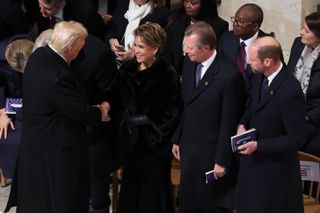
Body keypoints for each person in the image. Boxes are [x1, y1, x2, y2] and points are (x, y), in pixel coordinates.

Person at [5, 21, 110, 213]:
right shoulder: (57, 76)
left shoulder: (38, 57)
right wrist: (99, 111)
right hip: (56, 154)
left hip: (38, 147)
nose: (83, 47)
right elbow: (78, 111)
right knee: (60, 202)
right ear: (70, 48)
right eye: (81, 44)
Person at [171, 22, 246, 213]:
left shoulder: (229, 75)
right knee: (188, 201)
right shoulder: (189, 63)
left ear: (206, 48)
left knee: (209, 203)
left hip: (211, 153)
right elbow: (185, 105)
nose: (186, 52)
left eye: (189, 48)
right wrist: (177, 138)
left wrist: (222, 159)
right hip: (189, 147)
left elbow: (228, 122)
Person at [109, 22, 180, 213]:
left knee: (151, 199)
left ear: (155, 48)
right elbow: (115, 99)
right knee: (130, 195)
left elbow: (170, 114)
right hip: (129, 146)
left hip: (153, 149)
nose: (136, 50)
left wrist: (150, 136)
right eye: (135, 45)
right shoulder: (128, 69)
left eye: (141, 46)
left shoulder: (167, 74)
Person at [235, 36, 305, 213]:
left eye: (252, 60)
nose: (248, 63)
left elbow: (296, 138)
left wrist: (259, 145)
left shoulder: (290, 90)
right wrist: (242, 124)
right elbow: (252, 106)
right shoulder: (258, 76)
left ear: (267, 61)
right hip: (252, 165)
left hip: (275, 172)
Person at [0, 38, 33, 187]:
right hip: (11, 101)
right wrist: (3, 111)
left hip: (33, 102)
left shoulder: (39, 53)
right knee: (8, 135)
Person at [287, 12, 320, 157]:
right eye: (302, 28)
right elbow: (288, 76)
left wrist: (307, 117)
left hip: (314, 117)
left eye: (306, 31)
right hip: (293, 107)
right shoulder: (298, 44)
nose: (301, 33)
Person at [218, 3, 270, 94]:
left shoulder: (268, 45)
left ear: (255, 27)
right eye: (235, 20)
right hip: (229, 94)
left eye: (240, 22)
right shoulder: (226, 38)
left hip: (255, 97)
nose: (235, 24)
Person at [166, 0, 228, 74]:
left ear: (204, 5)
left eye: (193, 3)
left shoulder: (219, 26)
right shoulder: (176, 19)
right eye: (186, 1)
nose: (188, 6)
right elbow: (168, 48)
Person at [106, 0, 172, 63]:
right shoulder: (124, 3)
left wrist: (134, 56)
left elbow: (161, 51)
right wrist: (111, 39)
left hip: (139, 66)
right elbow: (111, 26)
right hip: (114, 58)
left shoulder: (162, 14)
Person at [24, 0, 106, 41]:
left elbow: (96, 40)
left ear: (61, 4)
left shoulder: (85, 13)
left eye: (48, 9)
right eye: (40, 5)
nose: (42, 11)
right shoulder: (36, 3)